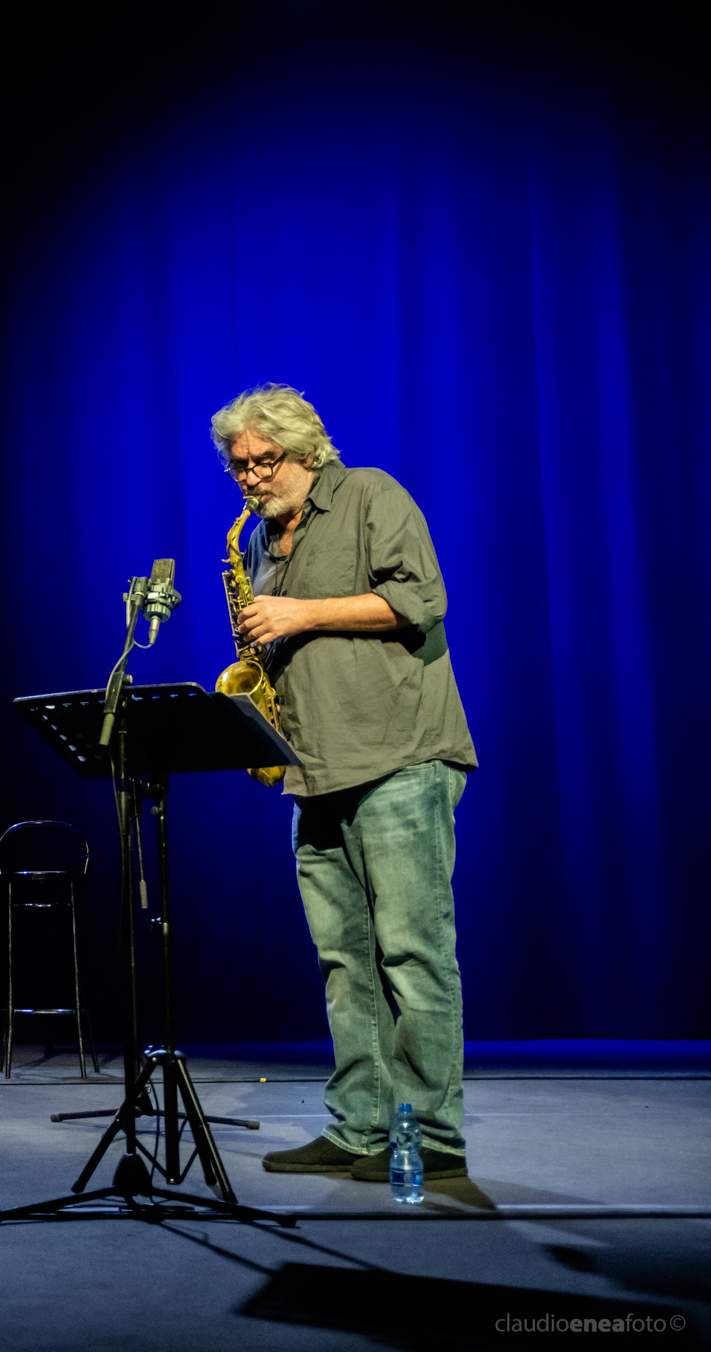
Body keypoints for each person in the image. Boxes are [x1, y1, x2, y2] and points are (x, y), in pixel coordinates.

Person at [212, 385, 480, 1184]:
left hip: (400, 755)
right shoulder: (258, 542)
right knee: (343, 962)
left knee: (414, 953)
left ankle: (432, 1135)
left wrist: (296, 614)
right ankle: (361, 1125)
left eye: (267, 461)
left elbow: (420, 601)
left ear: (306, 451)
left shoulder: (370, 493)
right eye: (241, 466)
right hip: (315, 771)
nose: (254, 477)